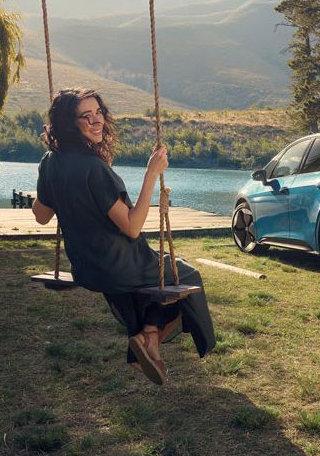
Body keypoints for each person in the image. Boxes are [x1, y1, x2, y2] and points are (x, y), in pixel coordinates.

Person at [30, 87, 215, 385]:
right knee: (186, 276)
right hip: (119, 264)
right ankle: (149, 337)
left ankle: (149, 341)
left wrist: (56, 188)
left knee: (160, 279)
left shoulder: (50, 162)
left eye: (99, 113)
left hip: (87, 268)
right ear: (68, 124)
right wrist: (151, 175)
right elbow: (131, 227)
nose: (96, 121)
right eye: (85, 117)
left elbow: (41, 215)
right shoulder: (95, 169)